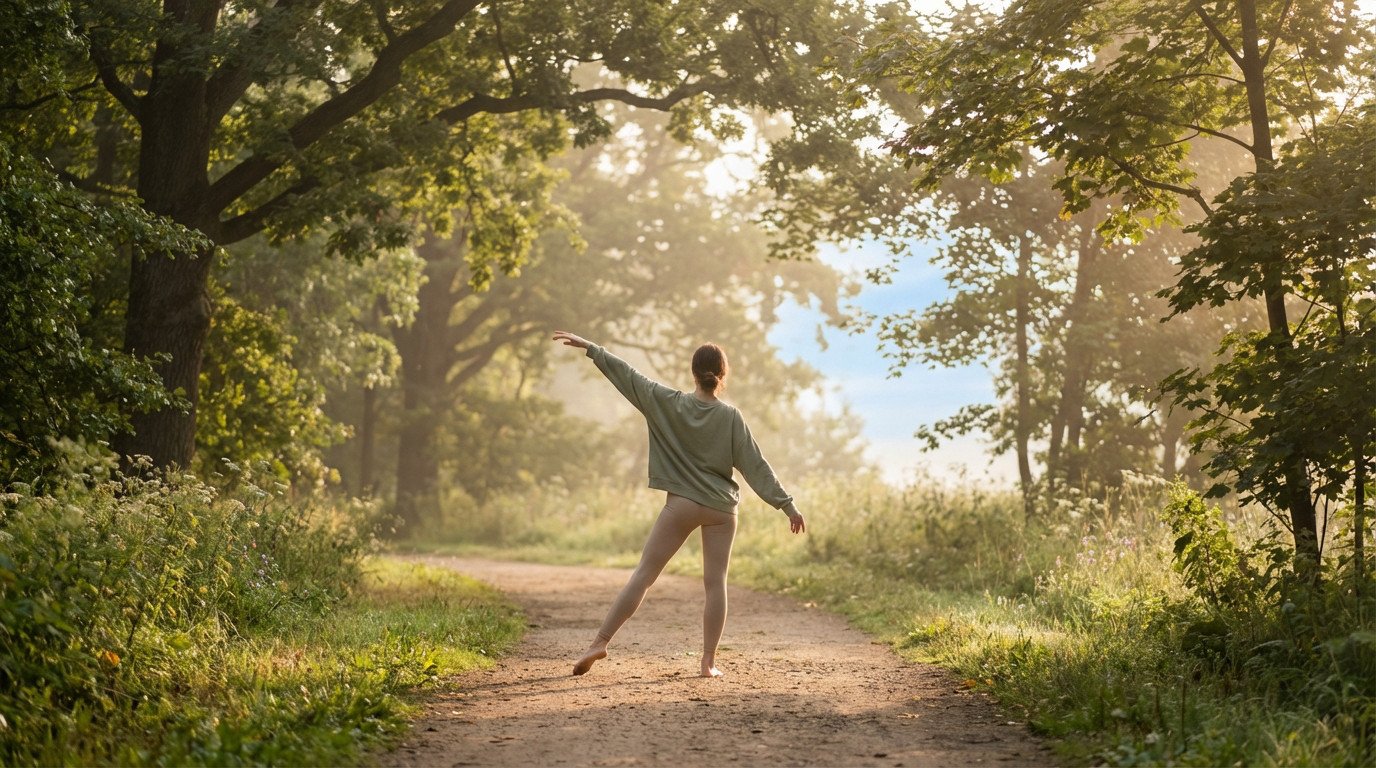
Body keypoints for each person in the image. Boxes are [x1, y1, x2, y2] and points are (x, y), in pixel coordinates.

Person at [552, 331, 806, 679]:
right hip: (721, 509)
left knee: (644, 575)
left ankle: (600, 642)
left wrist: (593, 350)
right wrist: (787, 506)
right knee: (715, 583)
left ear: (693, 372)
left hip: (682, 504)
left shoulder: (668, 402)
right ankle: (707, 662)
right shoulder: (731, 417)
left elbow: (629, 376)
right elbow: (755, 465)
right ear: (722, 374)